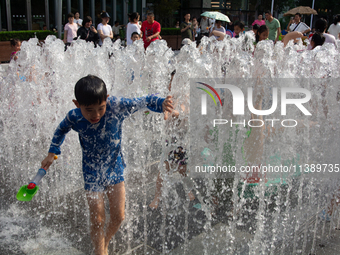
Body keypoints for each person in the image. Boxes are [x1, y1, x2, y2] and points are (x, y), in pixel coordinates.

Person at [41, 75, 173, 255]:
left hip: (114, 168)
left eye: (100, 108)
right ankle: (99, 251)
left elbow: (143, 101)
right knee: (97, 219)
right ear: (77, 104)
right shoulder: (75, 117)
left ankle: (105, 241)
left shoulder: (116, 107)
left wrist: (162, 103)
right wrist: (52, 151)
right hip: (91, 172)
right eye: (89, 110)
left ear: (107, 99)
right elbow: (61, 129)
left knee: (119, 216)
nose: (95, 115)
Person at [149, 71, 194, 209]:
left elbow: (189, 115)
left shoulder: (187, 99)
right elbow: (166, 117)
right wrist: (169, 112)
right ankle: (157, 197)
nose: (174, 85)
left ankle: (189, 190)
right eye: (172, 82)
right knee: (164, 169)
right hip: (170, 141)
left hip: (182, 141)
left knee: (183, 169)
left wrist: (178, 113)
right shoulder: (169, 100)